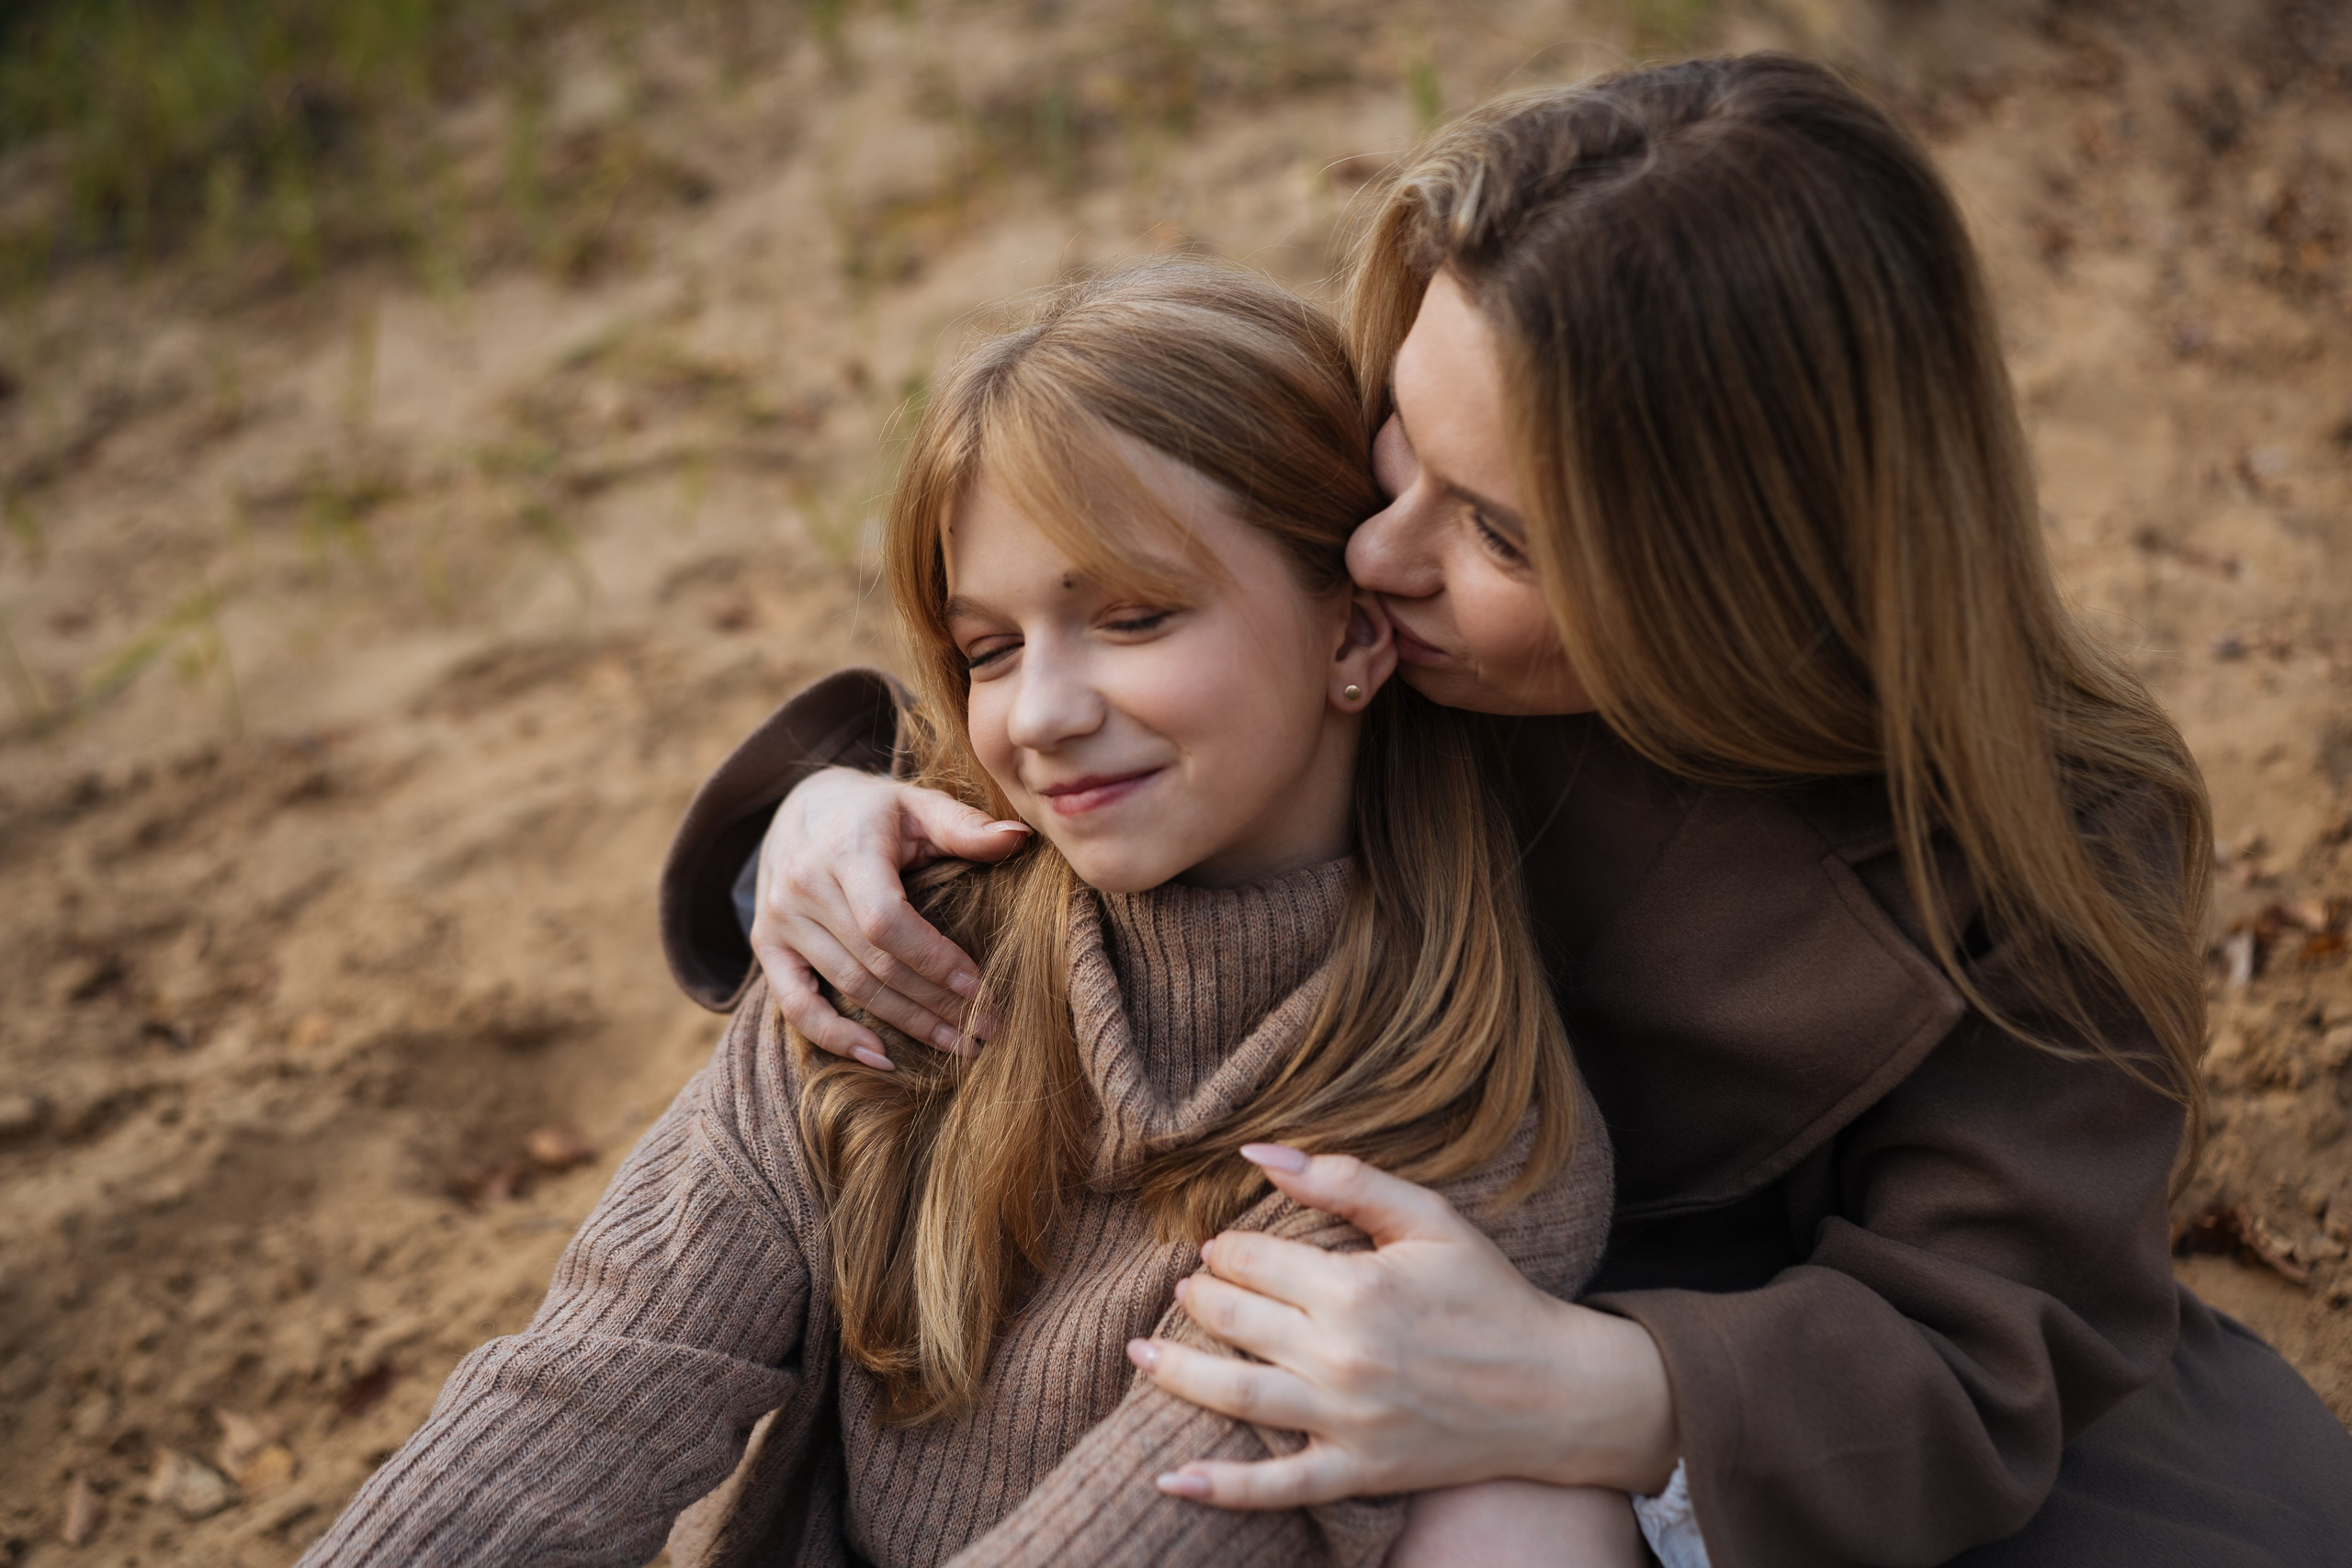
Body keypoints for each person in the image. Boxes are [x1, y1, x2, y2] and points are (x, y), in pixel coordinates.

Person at [656, 54, 2352, 1567]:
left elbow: (1997, 1331)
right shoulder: (1393, 630)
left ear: (1741, 574)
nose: (1376, 555)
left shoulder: (2043, 837)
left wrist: (1593, 1384)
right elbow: (1084, 663)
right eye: (1397, 444)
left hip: (1772, 1429)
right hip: (1294, 1315)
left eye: (1499, 532)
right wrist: (826, 816)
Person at [297, 261, 1638, 1568]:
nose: (1040, 715)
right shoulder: (899, 944)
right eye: (988, 650)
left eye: (1133, 617)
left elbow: (1139, 1531)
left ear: (1350, 635)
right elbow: (587, 1392)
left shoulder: (1454, 1131)